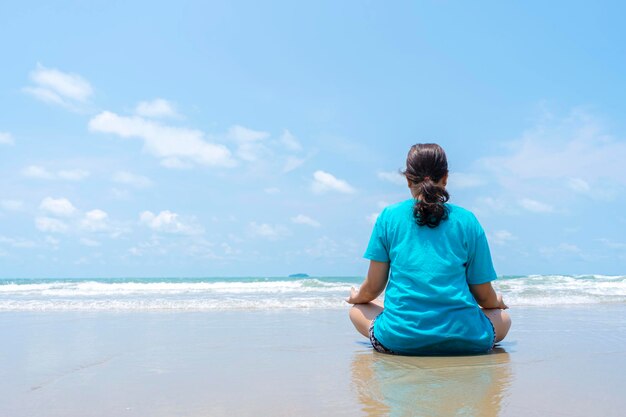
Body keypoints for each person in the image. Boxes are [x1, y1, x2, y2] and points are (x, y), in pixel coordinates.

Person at [347, 143, 511, 355]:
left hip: (400, 340)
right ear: (445, 178)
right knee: (503, 318)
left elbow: (373, 287)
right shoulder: (467, 220)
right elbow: (483, 296)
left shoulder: (388, 217)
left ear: (408, 179)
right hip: (466, 339)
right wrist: (495, 301)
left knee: (357, 310)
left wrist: (356, 297)